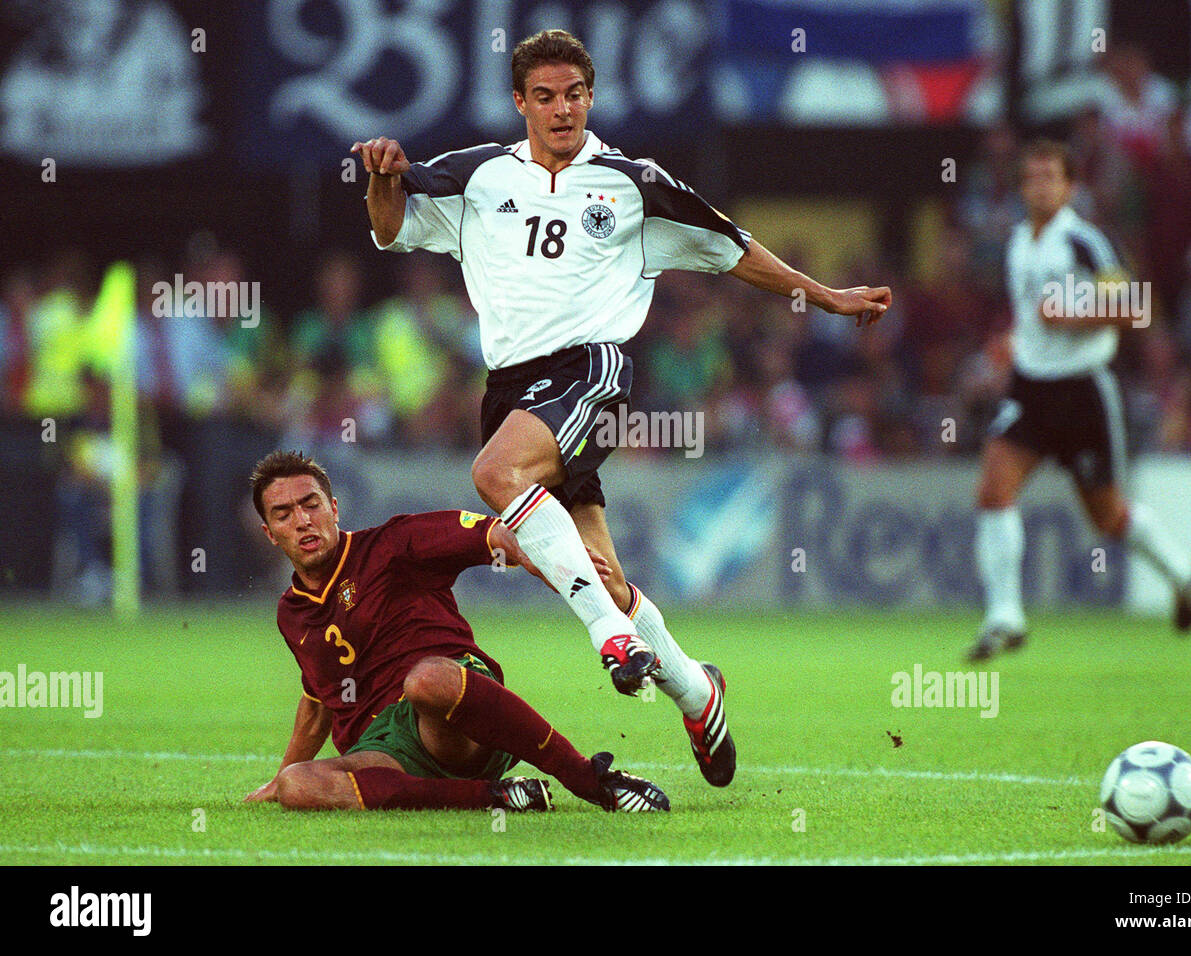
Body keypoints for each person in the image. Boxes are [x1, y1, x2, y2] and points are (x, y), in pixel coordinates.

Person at [351, 28, 892, 787]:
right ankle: (698, 692)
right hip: (511, 392)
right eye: (545, 96)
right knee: (597, 570)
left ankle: (611, 640)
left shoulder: (629, 182)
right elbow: (391, 227)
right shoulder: (475, 178)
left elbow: (733, 247)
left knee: (495, 475)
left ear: (590, 98)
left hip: (592, 374)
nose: (562, 108)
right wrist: (380, 175)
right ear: (520, 103)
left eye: (574, 94)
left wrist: (827, 296)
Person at [243, 450, 669, 813]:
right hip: (387, 749)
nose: (302, 520)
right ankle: (493, 797)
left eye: (311, 504)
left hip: (455, 719)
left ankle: (588, 778)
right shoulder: (291, 612)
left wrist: (537, 554)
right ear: (269, 534)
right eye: (284, 513)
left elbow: (491, 534)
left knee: (426, 679)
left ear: (334, 508)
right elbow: (319, 703)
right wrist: (279, 779)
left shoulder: (393, 544)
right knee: (299, 786)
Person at [968, 139, 1191, 661]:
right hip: (1031, 388)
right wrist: (1014, 341)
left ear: (1071, 186)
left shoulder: (1084, 240)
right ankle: (1005, 617)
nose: (1040, 185)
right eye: (1031, 176)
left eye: (1051, 176)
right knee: (993, 489)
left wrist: (1073, 315)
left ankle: (1184, 571)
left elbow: (1137, 306)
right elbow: (1033, 313)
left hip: (1083, 389)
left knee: (1107, 515)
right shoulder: (1017, 242)